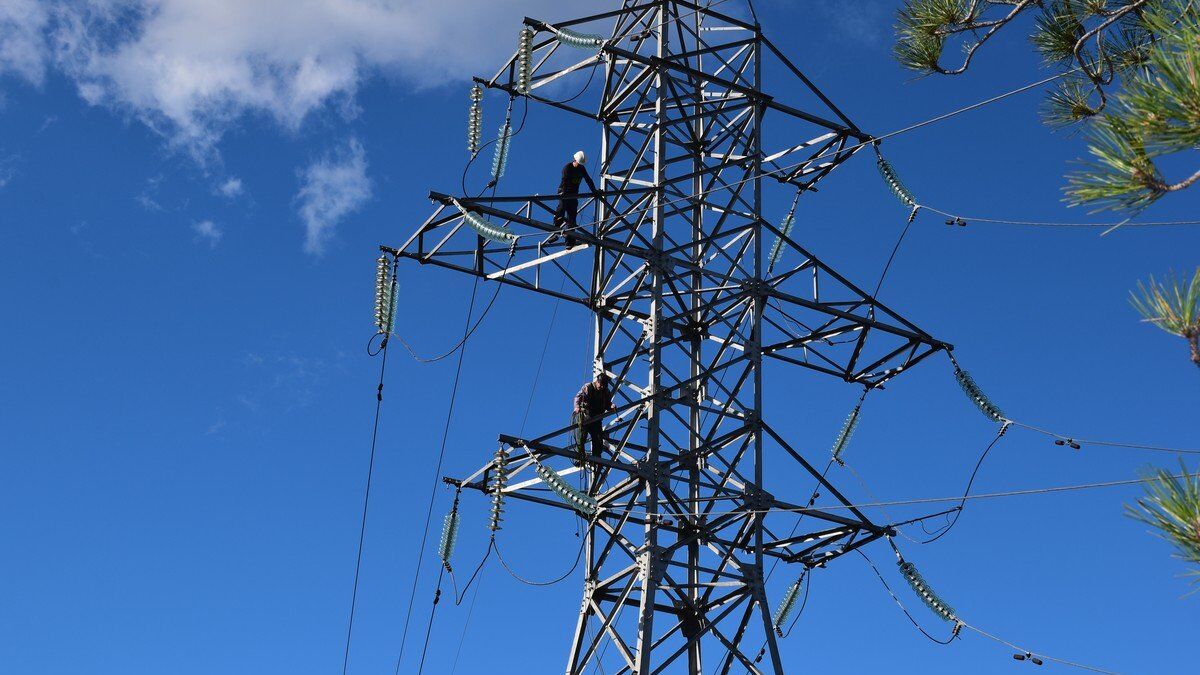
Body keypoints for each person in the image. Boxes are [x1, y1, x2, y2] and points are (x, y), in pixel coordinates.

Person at [553, 150, 598, 246]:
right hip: (564, 192)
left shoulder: (582, 169)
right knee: (561, 209)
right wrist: (564, 194)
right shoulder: (567, 168)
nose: (579, 165)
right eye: (578, 163)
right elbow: (564, 181)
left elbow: (588, 180)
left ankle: (570, 240)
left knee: (572, 217)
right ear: (575, 160)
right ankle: (555, 231)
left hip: (574, 195)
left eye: (581, 164)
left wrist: (595, 191)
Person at [572, 370, 614, 463]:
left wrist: (611, 406)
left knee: (598, 439)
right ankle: (579, 457)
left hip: (596, 418)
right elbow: (577, 397)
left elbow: (607, 404)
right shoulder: (588, 387)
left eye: (604, 386)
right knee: (581, 437)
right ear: (597, 382)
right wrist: (577, 407)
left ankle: (596, 459)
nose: (602, 387)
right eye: (601, 385)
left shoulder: (605, 391)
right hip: (585, 416)